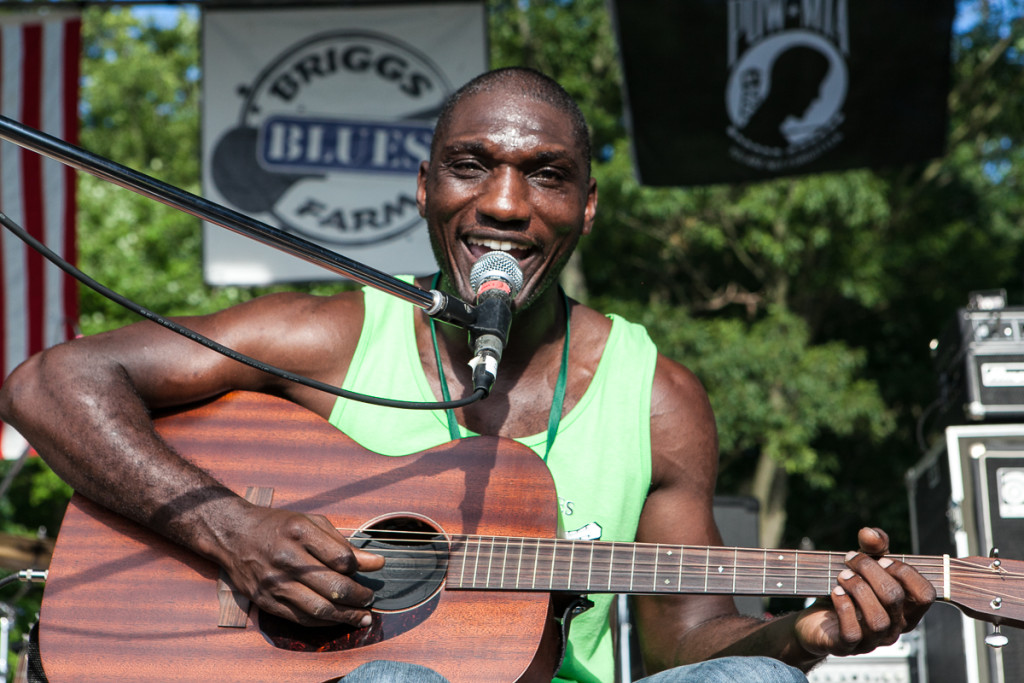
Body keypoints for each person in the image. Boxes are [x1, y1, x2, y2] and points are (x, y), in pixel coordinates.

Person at [0, 67, 934, 682]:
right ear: (424, 188)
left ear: (586, 207)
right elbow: (53, 381)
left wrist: (800, 635)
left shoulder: (657, 395)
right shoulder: (327, 335)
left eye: (547, 175)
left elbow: (683, 641)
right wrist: (234, 529)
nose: (504, 203)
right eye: (471, 166)